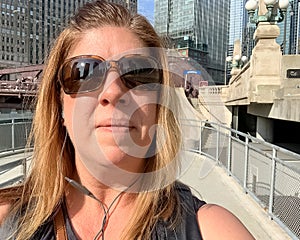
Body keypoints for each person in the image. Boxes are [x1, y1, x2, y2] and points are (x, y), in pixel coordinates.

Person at [0, 1, 255, 239]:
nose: (112, 92)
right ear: (59, 106)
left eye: (139, 73)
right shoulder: (6, 221)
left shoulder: (212, 229)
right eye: (84, 72)